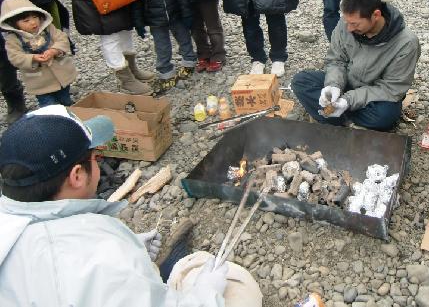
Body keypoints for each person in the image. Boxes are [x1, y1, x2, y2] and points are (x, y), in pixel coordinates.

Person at [0, 104, 262, 306]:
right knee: (236, 284)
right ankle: (167, 270)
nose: (99, 164)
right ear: (77, 176)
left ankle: (156, 270)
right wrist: (207, 293)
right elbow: (85, 271)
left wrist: (133, 249)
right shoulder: (98, 258)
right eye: (96, 157)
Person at [291, 0, 420, 131]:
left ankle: (336, 116)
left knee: (386, 115)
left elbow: (391, 89)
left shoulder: (406, 43)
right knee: (301, 81)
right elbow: (336, 60)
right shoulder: (346, 23)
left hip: (373, 95)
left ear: (376, 15)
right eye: (347, 22)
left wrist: (348, 100)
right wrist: (333, 85)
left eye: (355, 24)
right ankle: (347, 119)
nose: (349, 29)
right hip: (346, 83)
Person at [0, 0, 77, 107]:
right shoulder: (13, 39)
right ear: (13, 24)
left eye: (35, 17)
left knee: (65, 100)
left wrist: (54, 50)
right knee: (49, 107)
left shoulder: (48, 28)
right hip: (39, 82)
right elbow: (15, 57)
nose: (33, 22)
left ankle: (68, 110)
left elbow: (62, 38)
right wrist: (32, 58)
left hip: (62, 76)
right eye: (26, 21)